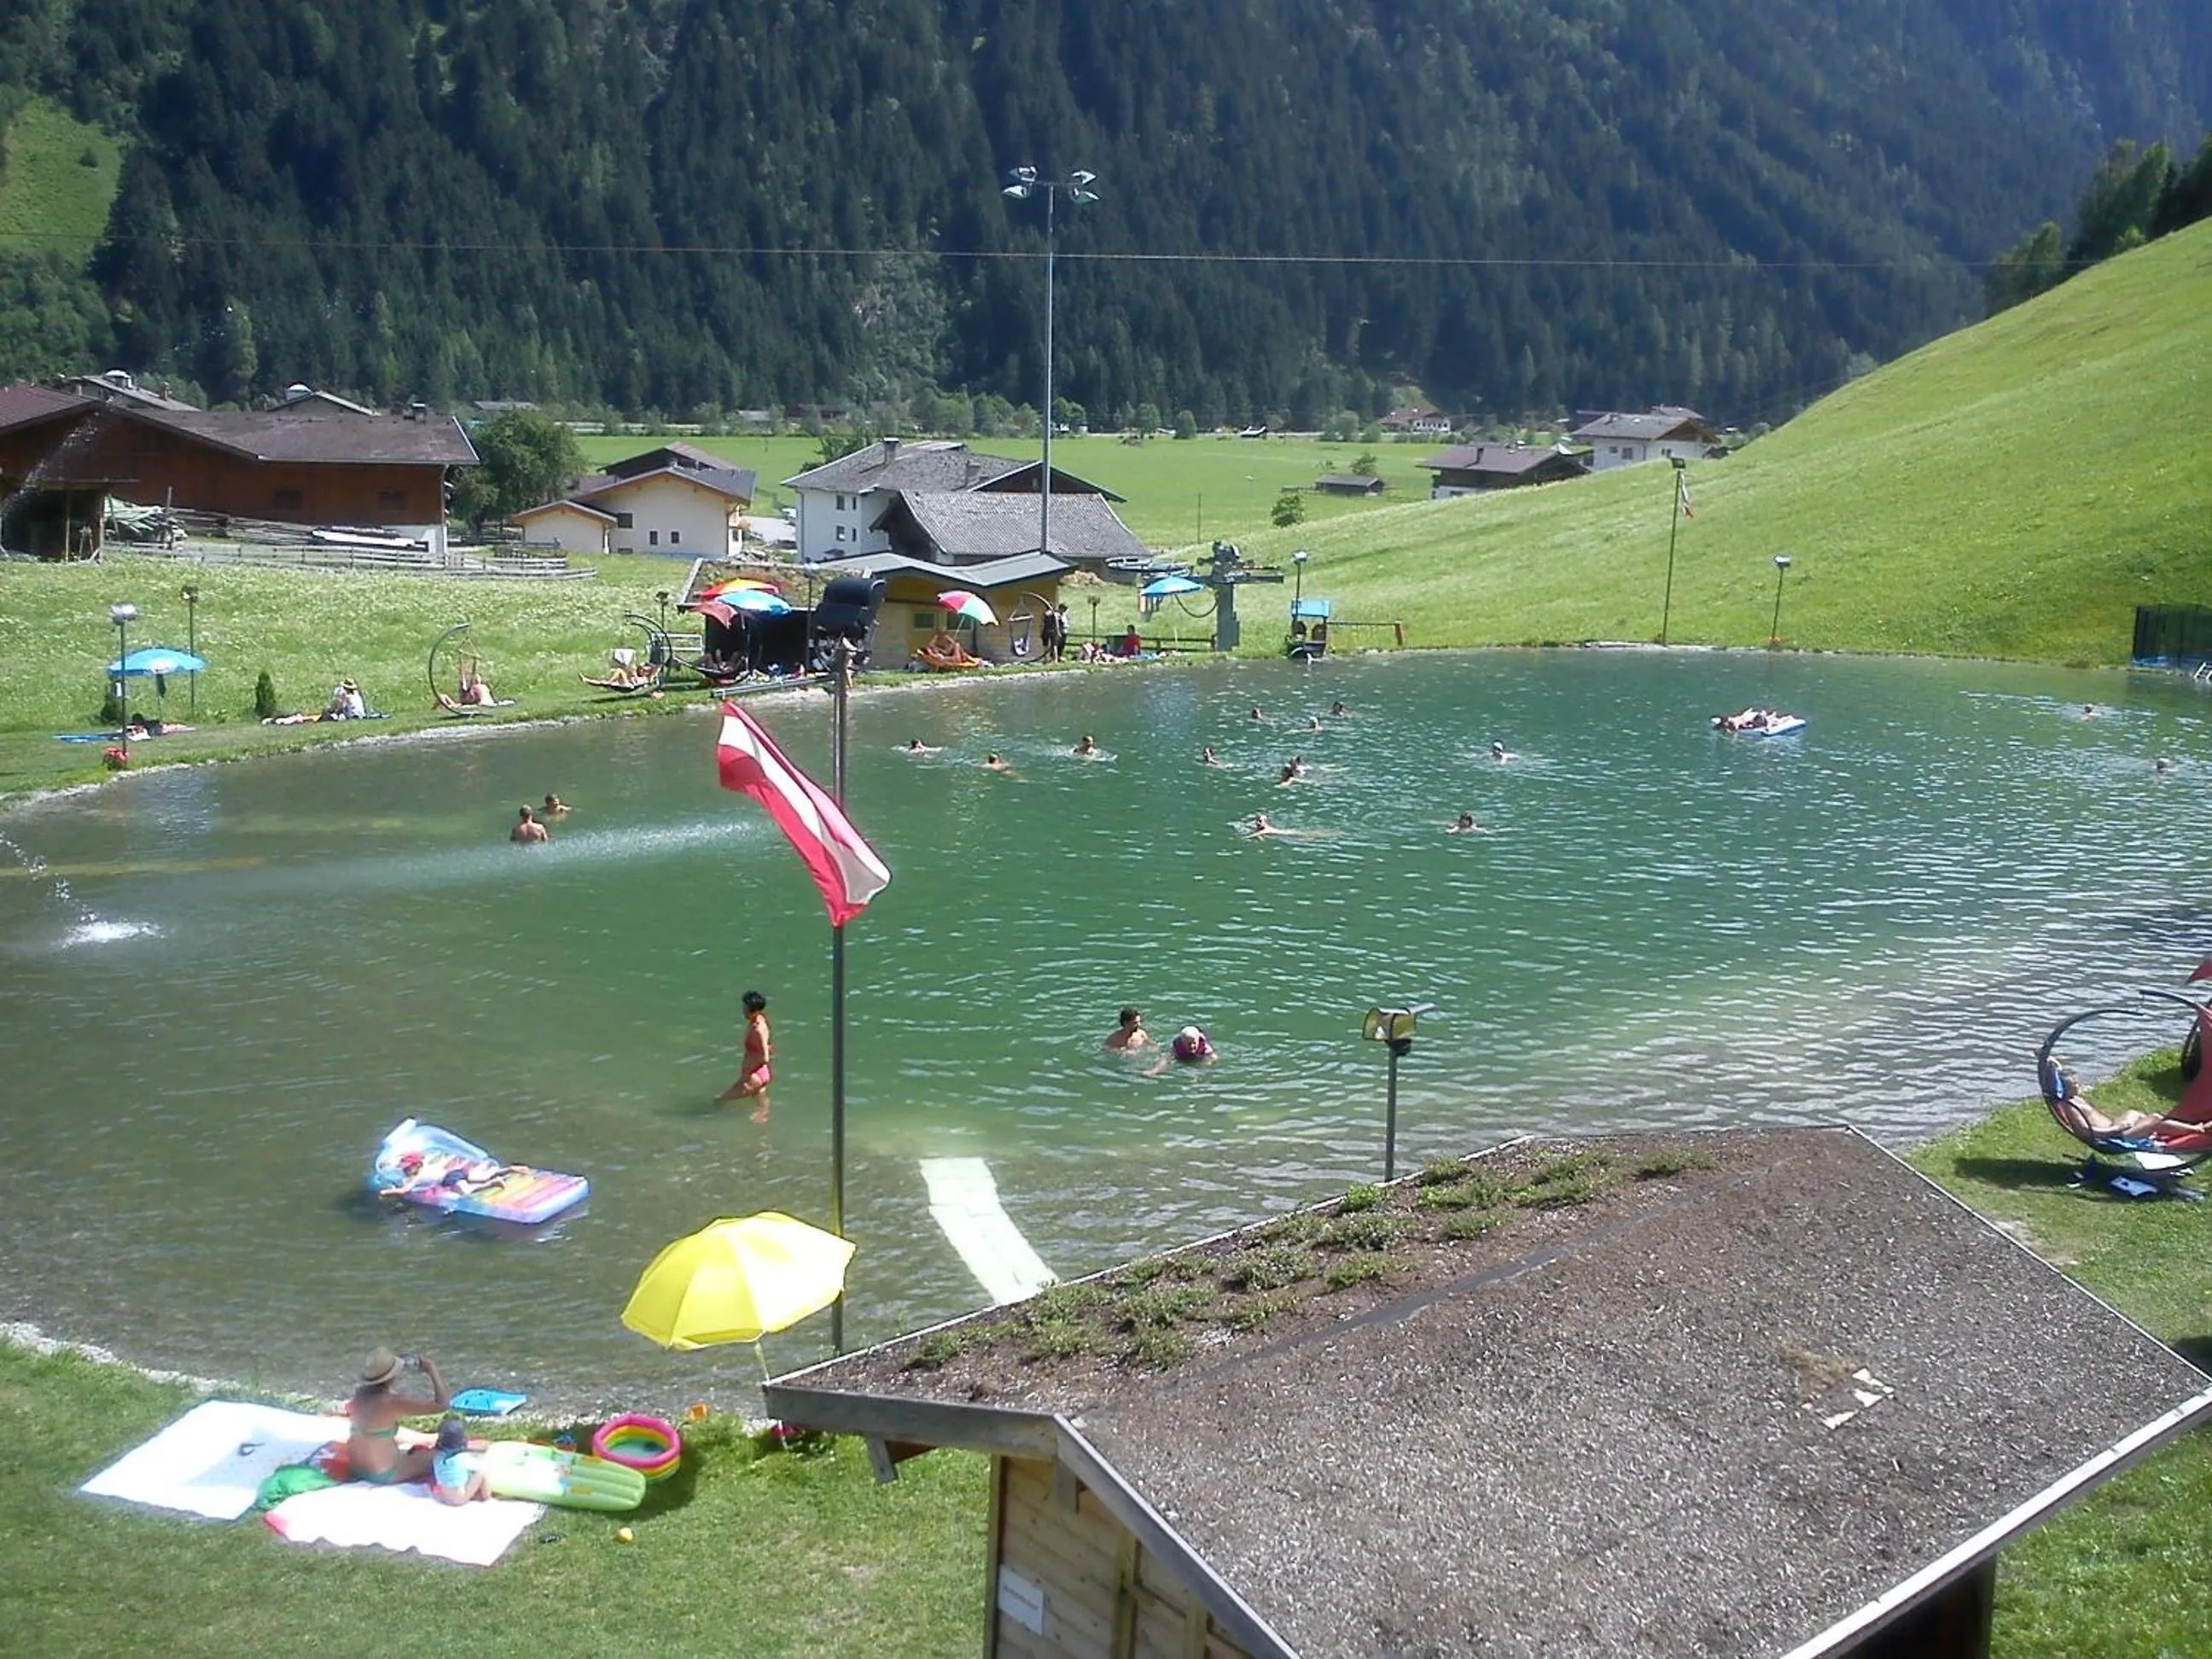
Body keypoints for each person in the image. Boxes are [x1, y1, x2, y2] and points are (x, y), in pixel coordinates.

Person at [348, 1348, 452, 1485]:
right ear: (392, 1376)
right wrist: (431, 1370)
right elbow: (442, 1406)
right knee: (440, 1457)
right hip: (382, 1473)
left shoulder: (360, 1393)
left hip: (356, 1467)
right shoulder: (393, 1402)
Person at [716, 989, 773, 1120]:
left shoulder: (756, 1029)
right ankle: (762, 1134)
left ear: (750, 1009)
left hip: (754, 1076)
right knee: (762, 1110)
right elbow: (767, 1045)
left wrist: (748, 1074)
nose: (742, 1010)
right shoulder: (761, 1020)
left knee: (720, 1100)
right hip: (763, 1074)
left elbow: (765, 1057)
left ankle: (712, 1124)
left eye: (744, 1007)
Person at [430, 1414, 488, 1505]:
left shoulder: (437, 1456)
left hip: (444, 1497)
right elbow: (476, 1467)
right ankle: (485, 1497)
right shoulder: (462, 1458)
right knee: (481, 1473)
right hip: (459, 1499)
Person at [1145, 1026, 1218, 1075]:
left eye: (1194, 1043)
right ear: (1183, 1043)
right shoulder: (1177, 1047)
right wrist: (1154, 1071)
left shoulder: (1205, 1047)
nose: (1192, 1046)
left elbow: (1214, 1057)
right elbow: (1166, 1060)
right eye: (1189, 1044)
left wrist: (1203, 1066)